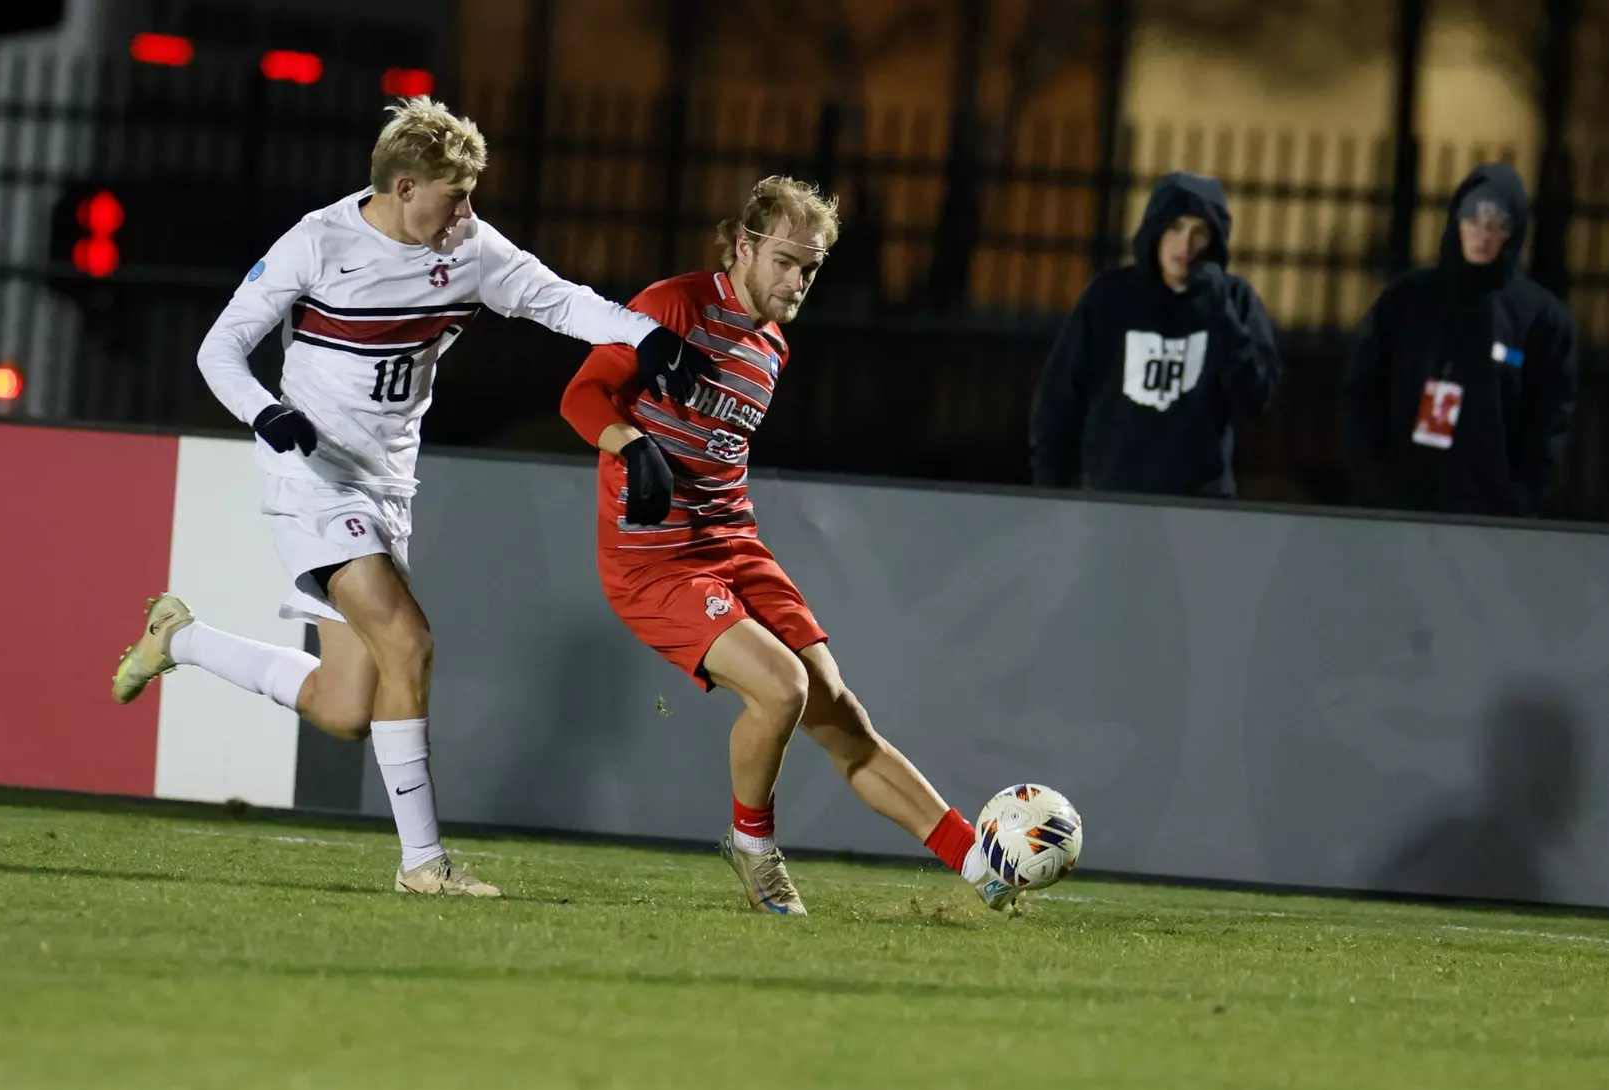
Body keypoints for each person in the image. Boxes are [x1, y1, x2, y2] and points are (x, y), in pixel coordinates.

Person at [110, 96, 714, 897]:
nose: (466, 213)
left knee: (344, 706)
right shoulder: (319, 241)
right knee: (410, 643)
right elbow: (220, 347)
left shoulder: (469, 246)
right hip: (313, 479)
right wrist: (269, 412)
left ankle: (179, 640)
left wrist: (645, 336)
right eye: (453, 196)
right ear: (403, 186)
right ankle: (423, 865)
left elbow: (559, 298)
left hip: (389, 488)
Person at [559, 176, 1011, 915]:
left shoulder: (773, 347)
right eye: (786, 261)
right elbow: (581, 395)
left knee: (838, 713)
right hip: (653, 561)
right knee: (782, 688)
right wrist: (628, 443)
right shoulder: (674, 305)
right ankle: (754, 850)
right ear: (742, 246)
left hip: (735, 545)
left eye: (813, 267)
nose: (799, 280)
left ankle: (979, 863)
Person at [1342, 163, 1577, 517]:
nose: (1482, 235)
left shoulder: (1541, 320)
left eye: (1497, 225)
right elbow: (1361, 391)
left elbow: (1552, 420)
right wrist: (1376, 484)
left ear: (1514, 232)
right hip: (1399, 511)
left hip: (1491, 523)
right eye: (1473, 221)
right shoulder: (1406, 301)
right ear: (1456, 221)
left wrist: (1520, 499)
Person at [1029, 171, 1281, 497]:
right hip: (1112, 500)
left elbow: (1257, 396)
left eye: (1200, 232)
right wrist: (1049, 493)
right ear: (1156, 229)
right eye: (1175, 227)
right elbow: (1059, 399)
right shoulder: (1110, 296)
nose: (1186, 245)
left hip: (1200, 506)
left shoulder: (1235, 300)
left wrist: (1219, 311)